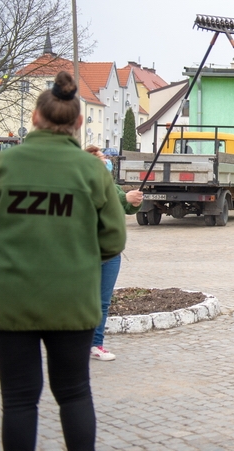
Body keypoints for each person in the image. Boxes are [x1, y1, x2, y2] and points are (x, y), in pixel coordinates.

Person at [0, 71, 127, 450]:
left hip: (8, 298)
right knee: (75, 392)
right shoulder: (92, 170)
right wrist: (76, 250)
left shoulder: (0, 166)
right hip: (71, 300)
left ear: (34, 117)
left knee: (17, 398)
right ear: (79, 122)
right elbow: (114, 238)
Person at [85, 145, 144, 360]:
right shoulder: (84, 185)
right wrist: (123, 199)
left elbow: (126, 207)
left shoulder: (113, 185)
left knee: (103, 301)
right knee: (84, 300)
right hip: (88, 253)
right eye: (99, 158)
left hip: (111, 254)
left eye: (104, 156)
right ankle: (77, 343)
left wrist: (135, 201)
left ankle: (96, 344)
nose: (105, 160)